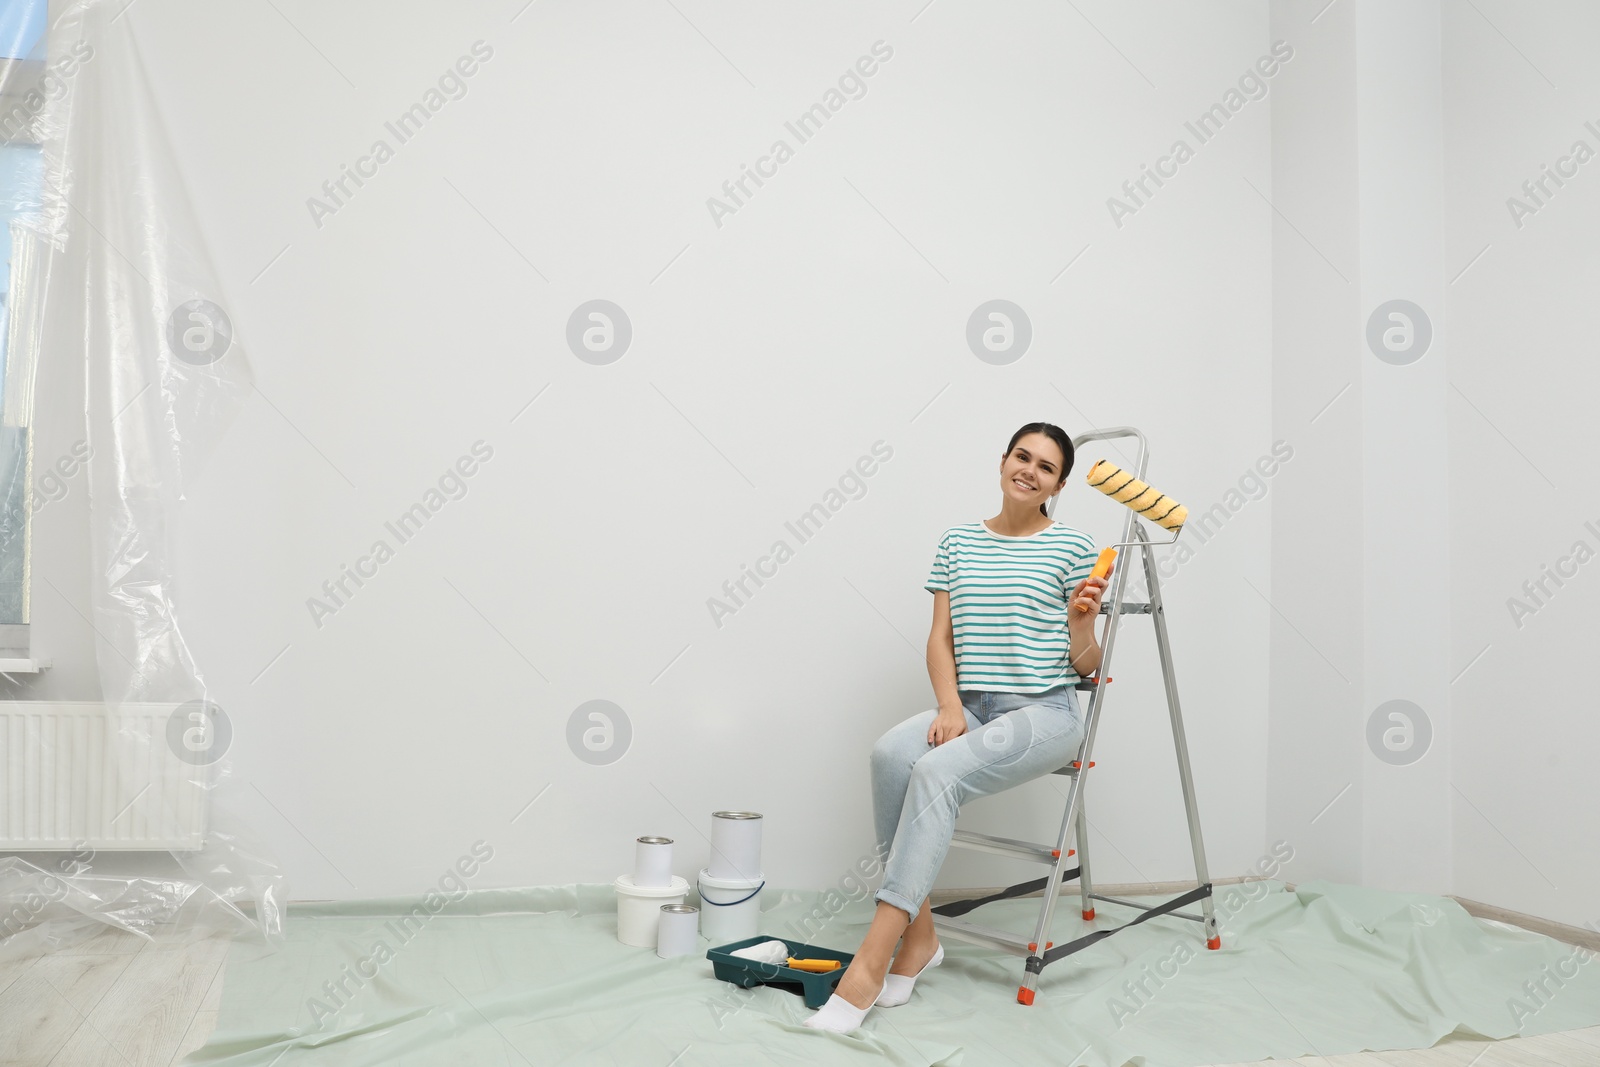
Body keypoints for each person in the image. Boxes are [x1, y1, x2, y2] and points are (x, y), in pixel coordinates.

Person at [803, 422, 1110, 1034]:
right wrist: (949, 708)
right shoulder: (958, 541)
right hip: (970, 704)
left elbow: (1088, 667)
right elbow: (940, 638)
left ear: (1059, 484)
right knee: (892, 754)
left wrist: (1081, 625)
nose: (1029, 470)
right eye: (1022, 456)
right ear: (1003, 461)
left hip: (1043, 712)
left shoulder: (1074, 547)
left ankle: (871, 960)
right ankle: (920, 940)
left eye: (1045, 467)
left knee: (937, 770)